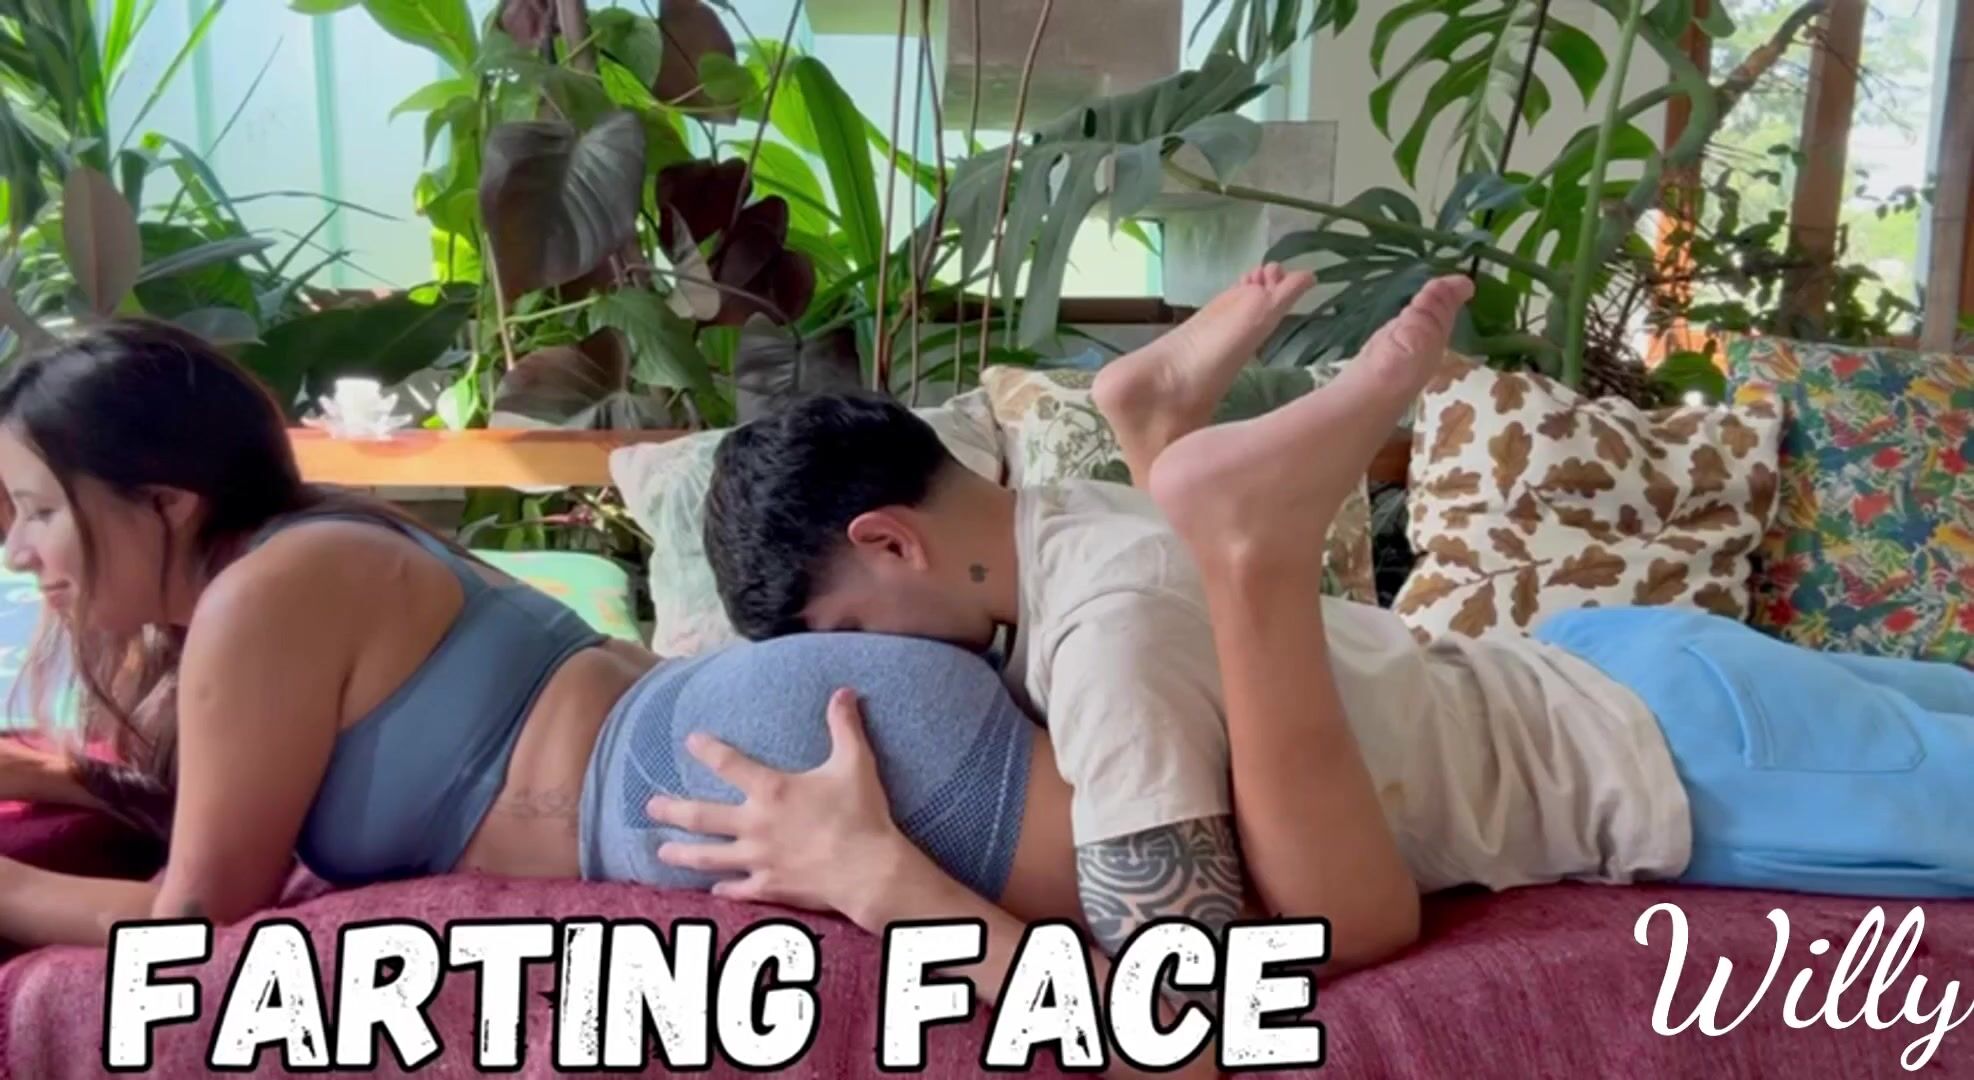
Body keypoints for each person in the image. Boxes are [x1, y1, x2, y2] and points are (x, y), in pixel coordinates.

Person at [0, 317, 1261, 1080]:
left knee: (1198, 1002)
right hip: (750, 726)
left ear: (163, 504)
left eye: (41, 509)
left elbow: (189, 921)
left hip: (763, 747)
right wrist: (45, 777)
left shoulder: (259, 598)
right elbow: (214, 795)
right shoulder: (321, 549)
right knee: (1241, 890)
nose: (20, 550)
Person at [699, 266, 1974, 974]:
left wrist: (881, 883)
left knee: (1346, 926)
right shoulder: (1068, 521)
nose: (867, 663)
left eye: (846, 628)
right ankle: (1156, 416)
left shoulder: (1103, 656)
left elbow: (1187, 1003)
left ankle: (1254, 533)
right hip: (1616, 666)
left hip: (1681, 759)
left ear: (890, 541)